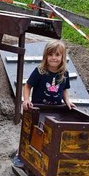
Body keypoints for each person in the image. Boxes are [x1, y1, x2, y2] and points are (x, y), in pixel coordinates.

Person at [13, 40, 76, 168]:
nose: (54, 58)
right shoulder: (40, 71)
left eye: (57, 55)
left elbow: (64, 89)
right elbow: (28, 86)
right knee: (32, 132)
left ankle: (44, 156)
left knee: (51, 134)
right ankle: (21, 154)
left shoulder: (64, 74)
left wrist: (67, 101)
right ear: (45, 56)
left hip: (55, 109)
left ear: (62, 57)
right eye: (50, 54)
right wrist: (26, 100)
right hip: (38, 108)